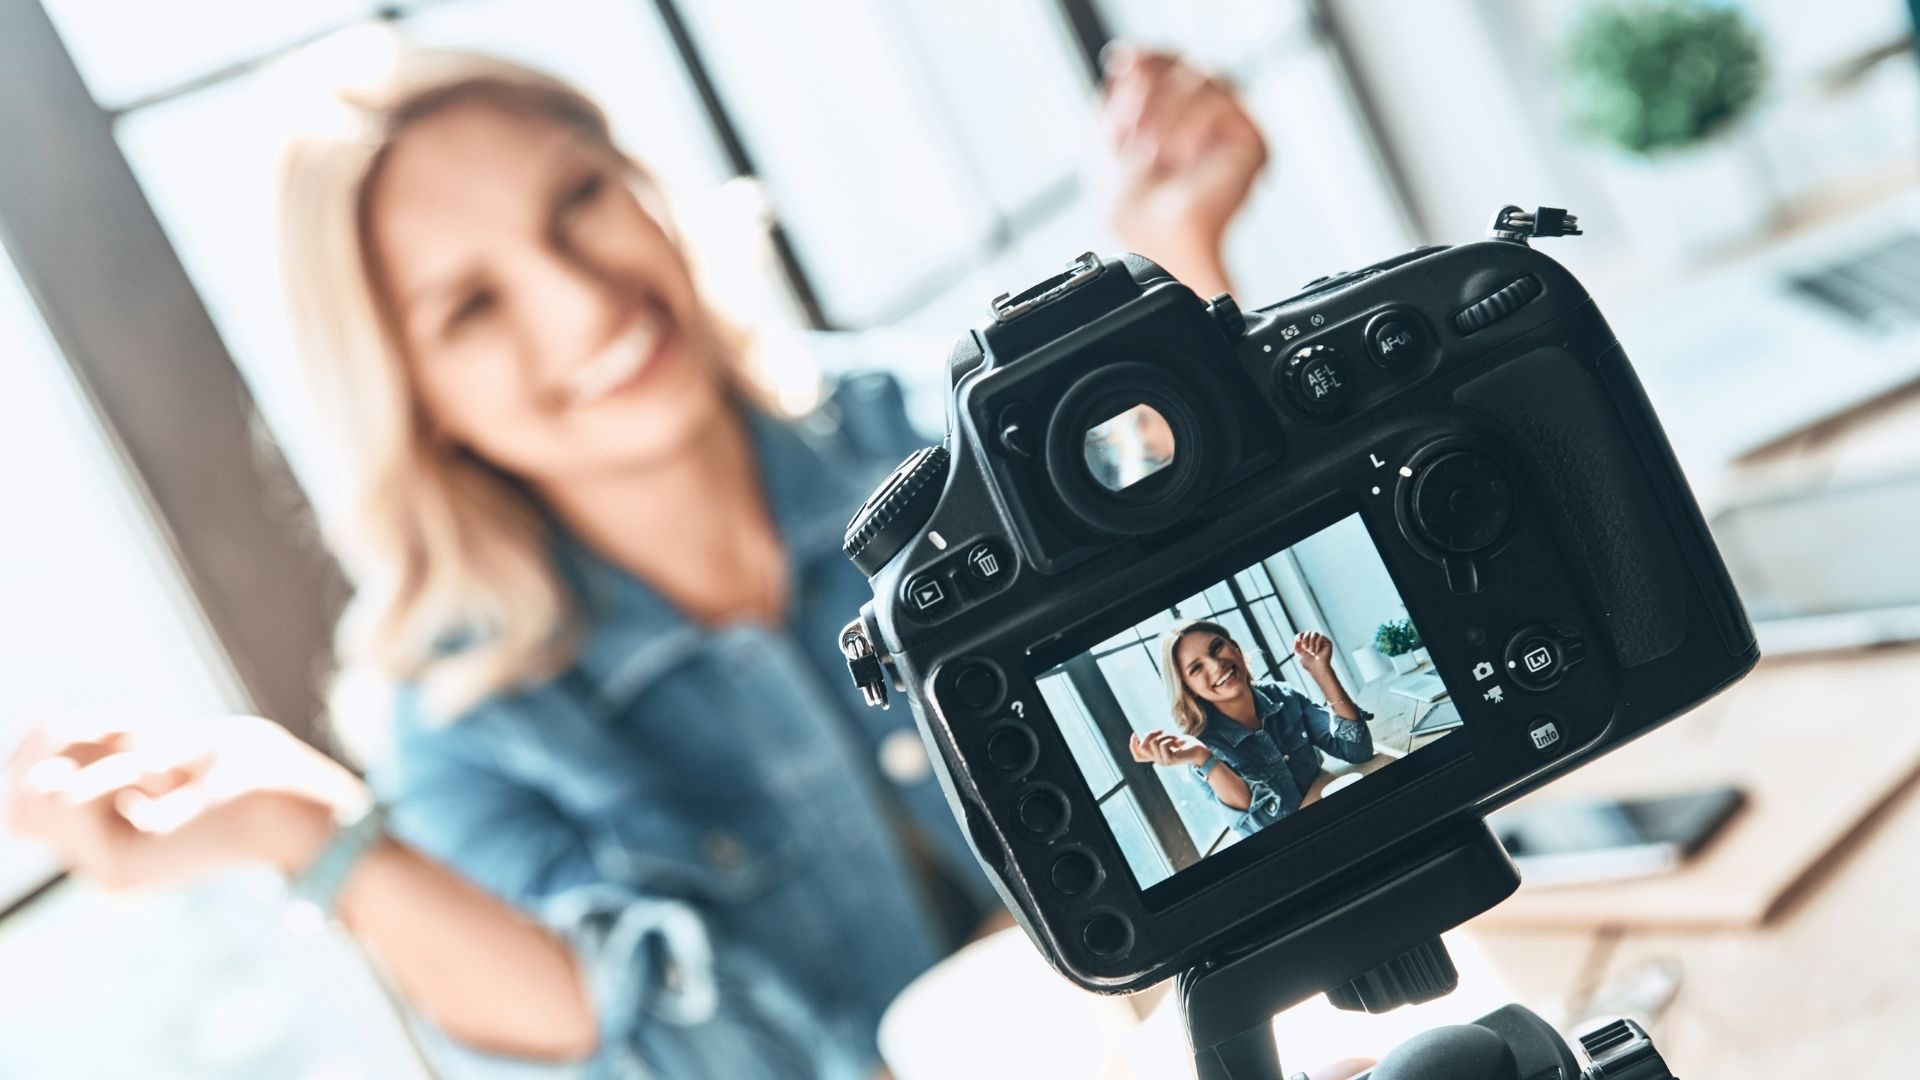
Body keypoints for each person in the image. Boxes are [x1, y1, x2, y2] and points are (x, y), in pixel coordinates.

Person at [3, 42, 1281, 1080]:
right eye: (474, 305)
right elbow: (638, 1039)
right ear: (411, 390)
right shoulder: (461, 725)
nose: (584, 302)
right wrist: (311, 835)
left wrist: (1173, 271)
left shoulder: (935, 425)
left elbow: (1230, 643)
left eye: (577, 203)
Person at [1131, 621, 1375, 837]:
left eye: (1217, 648)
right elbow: (1266, 829)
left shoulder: (1283, 696)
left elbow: (1357, 750)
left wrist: (1322, 671)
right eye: (1197, 668)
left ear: (1235, 648)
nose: (1216, 665)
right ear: (1189, 688)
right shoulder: (1203, 749)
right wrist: (1204, 758)